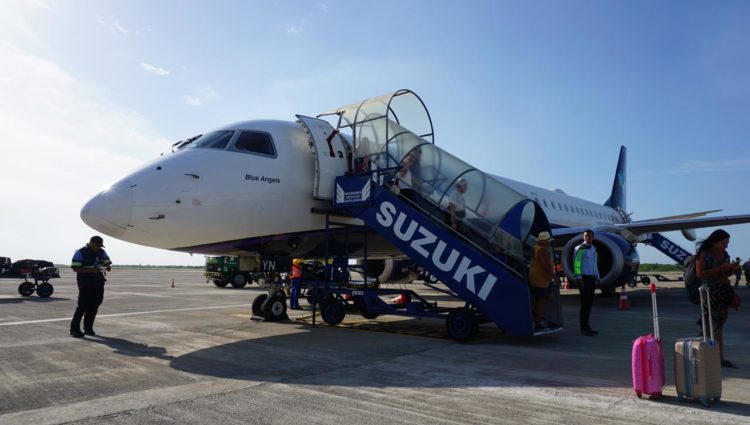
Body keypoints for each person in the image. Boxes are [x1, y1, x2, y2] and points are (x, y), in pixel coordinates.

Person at [695, 229, 741, 368]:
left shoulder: (724, 254)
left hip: (722, 293)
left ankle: (719, 358)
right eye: (723, 243)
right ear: (715, 242)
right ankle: (708, 356)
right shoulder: (703, 254)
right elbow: (700, 274)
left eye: (727, 243)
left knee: (719, 326)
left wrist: (732, 268)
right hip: (710, 294)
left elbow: (725, 273)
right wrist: (720, 268)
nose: (726, 246)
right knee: (710, 326)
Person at [70, 236, 112, 338]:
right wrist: (92, 270)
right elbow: (75, 268)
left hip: (98, 282)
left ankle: (88, 328)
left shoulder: (101, 252)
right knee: (82, 306)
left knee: (94, 306)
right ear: (91, 243)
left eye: (100, 246)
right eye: (97, 246)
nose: (98, 248)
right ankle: (74, 330)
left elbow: (108, 266)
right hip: (85, 283)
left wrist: (106, 267)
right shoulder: (80, 252)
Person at [573, 230, 600, 336]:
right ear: (583, 237)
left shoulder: (594, 249)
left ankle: (587, 326)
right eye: (586, 236)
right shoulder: (580, 248)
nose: (587, 237)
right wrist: (579, 278)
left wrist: (598, 277)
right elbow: (576, 264)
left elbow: (594, 264)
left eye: (589, 236)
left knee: (589, 304)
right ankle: (583, 328)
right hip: (583, 279)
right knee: (584, 304)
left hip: (592, 278)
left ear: (593, 237)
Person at [528, 231, 555, 332]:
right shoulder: (542, 251)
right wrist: (554, 277)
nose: (549, 243)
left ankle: (537, 316)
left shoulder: (536, 247)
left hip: (538, 278)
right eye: (548, 241)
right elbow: (546, 266)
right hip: (540, 280)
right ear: (543, 242)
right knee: (540, 301)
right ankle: (538, 322)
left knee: (543, 298)